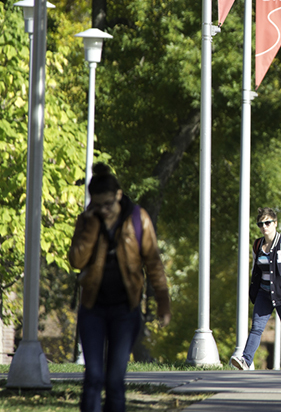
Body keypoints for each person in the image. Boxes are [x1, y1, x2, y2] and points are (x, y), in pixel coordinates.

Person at [69, 163, 171, 412]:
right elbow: (76, 260)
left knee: (114, 380)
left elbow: (154, 263)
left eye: (107, 204)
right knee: (93, 376)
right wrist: (93, 228)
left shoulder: (138, 218)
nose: (103, 210)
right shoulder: (87, 220)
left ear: (118, 195)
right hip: (92, 308)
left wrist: (163, 302)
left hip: (125, 310)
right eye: (97, 204)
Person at [231, 207, 281, 371]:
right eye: (261, 224)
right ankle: (246, 360)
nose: (264, 226)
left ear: (275, 223)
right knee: (256, 327)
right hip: (264, 293)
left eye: (268, 223)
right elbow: (255, 267)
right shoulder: (258, 244)